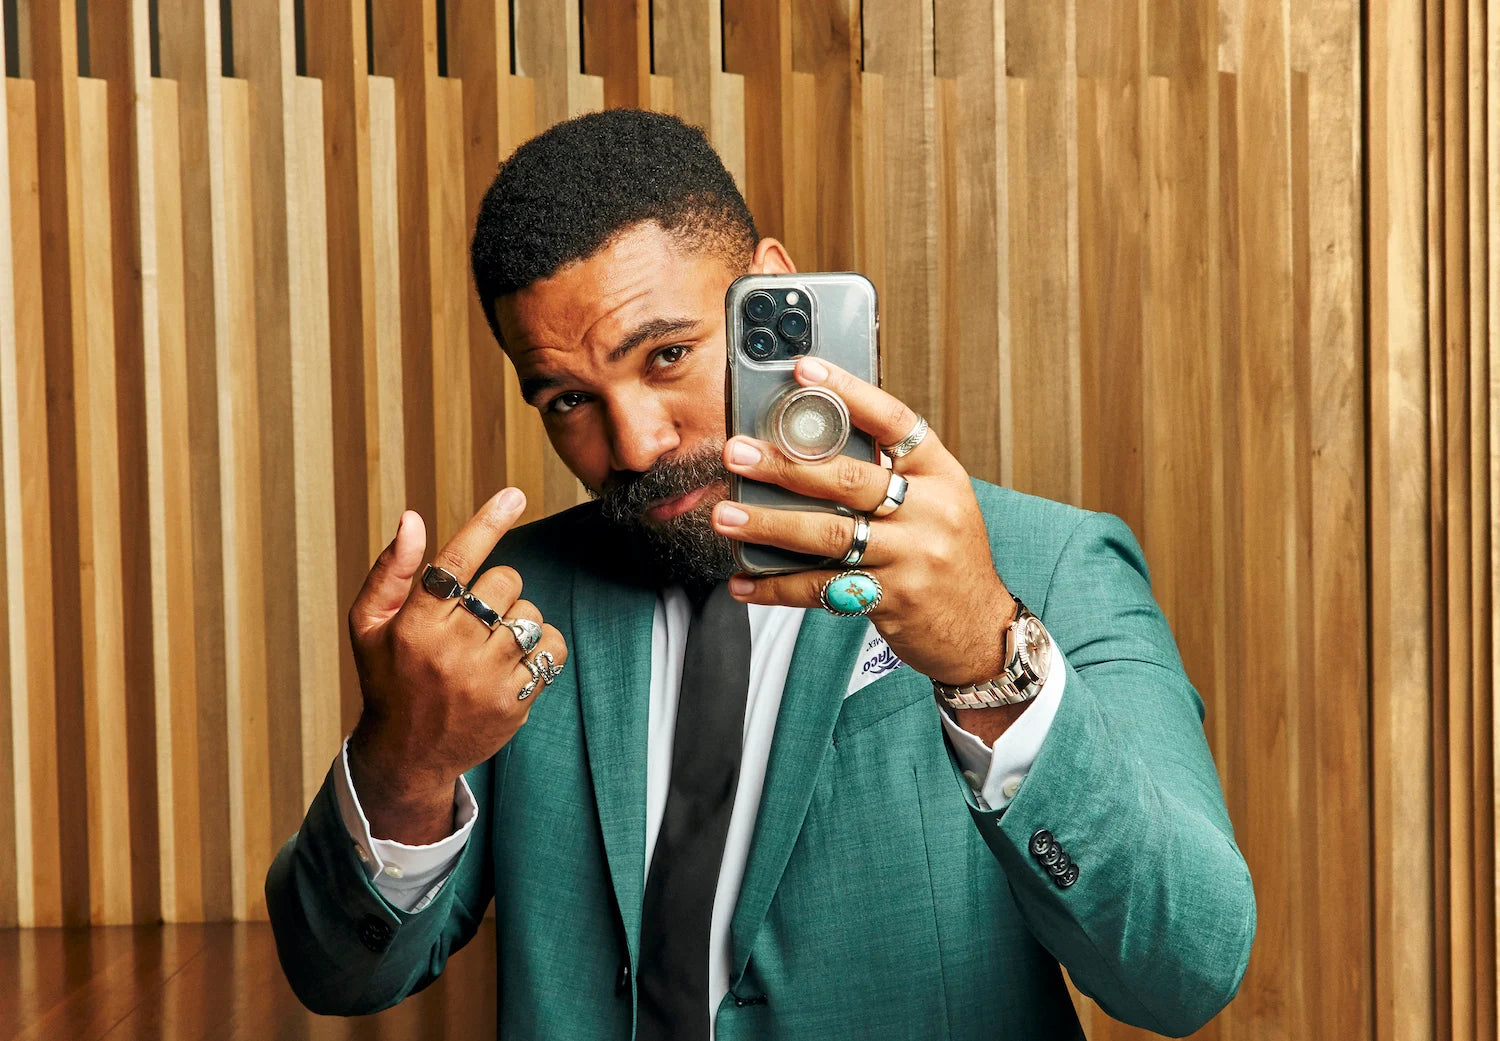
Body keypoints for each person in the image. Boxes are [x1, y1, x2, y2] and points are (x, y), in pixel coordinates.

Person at [266, 109, 1254, 1040]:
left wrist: (989, 662)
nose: (635, 444)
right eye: (566, 398)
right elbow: (338, 976)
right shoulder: (510, 606)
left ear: (771, 295)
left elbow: (1186, 970)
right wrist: (404, 764)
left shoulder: (1045, 564)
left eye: (666, 355)